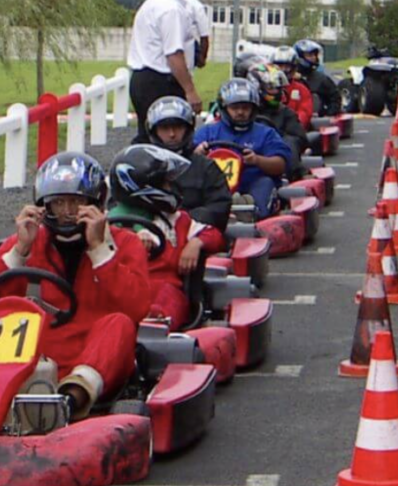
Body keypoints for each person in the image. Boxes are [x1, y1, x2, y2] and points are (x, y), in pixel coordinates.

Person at [0, 152, 150, 425]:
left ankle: (66, 403)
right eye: (58, 202)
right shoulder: (27, 241)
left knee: (120, 323)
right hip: (36, 358)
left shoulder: (125, 244)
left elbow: (138, 308)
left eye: (76, 202)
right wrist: (19, 251)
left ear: (94, 203)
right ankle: (20, 399)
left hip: (96, 358)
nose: (67, 212)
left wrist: (99, 251)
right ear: (44, 205)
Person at [108, 145, 224, 331]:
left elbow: (215, 235)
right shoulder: (111, 223)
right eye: (165, 184)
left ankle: (153, 328)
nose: (171, 188)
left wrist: (195, 243)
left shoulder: (178, 220)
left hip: (164, 288)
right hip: (123, 288)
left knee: (166, 297)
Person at [192, 78, 292, 220]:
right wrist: (197, 154)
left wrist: (257, 160)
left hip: (251, 183)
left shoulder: (265, 133)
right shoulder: (207, 132)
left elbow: (281, 165)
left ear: (253, 109)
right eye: (235, 108)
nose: (240, 112)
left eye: (245, 108)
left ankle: (251, 213)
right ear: (224, 108)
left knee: (265, 183)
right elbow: (185, 162)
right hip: (213, 186)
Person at [128, 0, 203, 142]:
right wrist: (190, 90)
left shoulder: (156, 1)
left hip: (144, 79)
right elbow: (174, 54)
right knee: (169, 140)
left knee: (148, 136)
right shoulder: (171, 9)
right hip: (160, 82)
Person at [146, 96, 232, 233]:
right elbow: (120, 207)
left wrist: (182, 221)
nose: (172, 134)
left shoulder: (206, 167)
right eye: (164, 128)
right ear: (153, 130)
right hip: (150, 236)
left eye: (178, 127)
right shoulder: (142, 166)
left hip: (194, 237)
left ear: (189, 128)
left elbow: (219, 209)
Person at [249, 63, 308, 175]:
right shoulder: (245, 113)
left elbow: (300, 139)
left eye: (278, 87)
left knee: (290, 140)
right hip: (246, 158)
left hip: (276, 160)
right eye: (271, 87)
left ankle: (291, 174)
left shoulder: (286, 113)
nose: (277, 92)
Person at [294, 39, 341, 117]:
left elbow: (335, 99)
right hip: (292, 120)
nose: (313, 58)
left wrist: (328, 115)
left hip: (315, 121)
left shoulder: (321, 79)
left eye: (314, 55)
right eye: (309, 55)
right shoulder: (289, 79)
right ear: (300, 56)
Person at [272, 45, 313, 129]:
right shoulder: (266, 89)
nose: (282, 70)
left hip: (291, 132)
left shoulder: (302, 90)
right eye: (279, 66)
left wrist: (291, 124)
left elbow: (304, 113)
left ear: (294, 68)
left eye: (286, 66)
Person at [185, 0, 210, 70]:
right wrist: (202, 58)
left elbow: (204, 36)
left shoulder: (196, 6)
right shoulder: (195, 6)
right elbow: (204, 36)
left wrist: (201, 57)